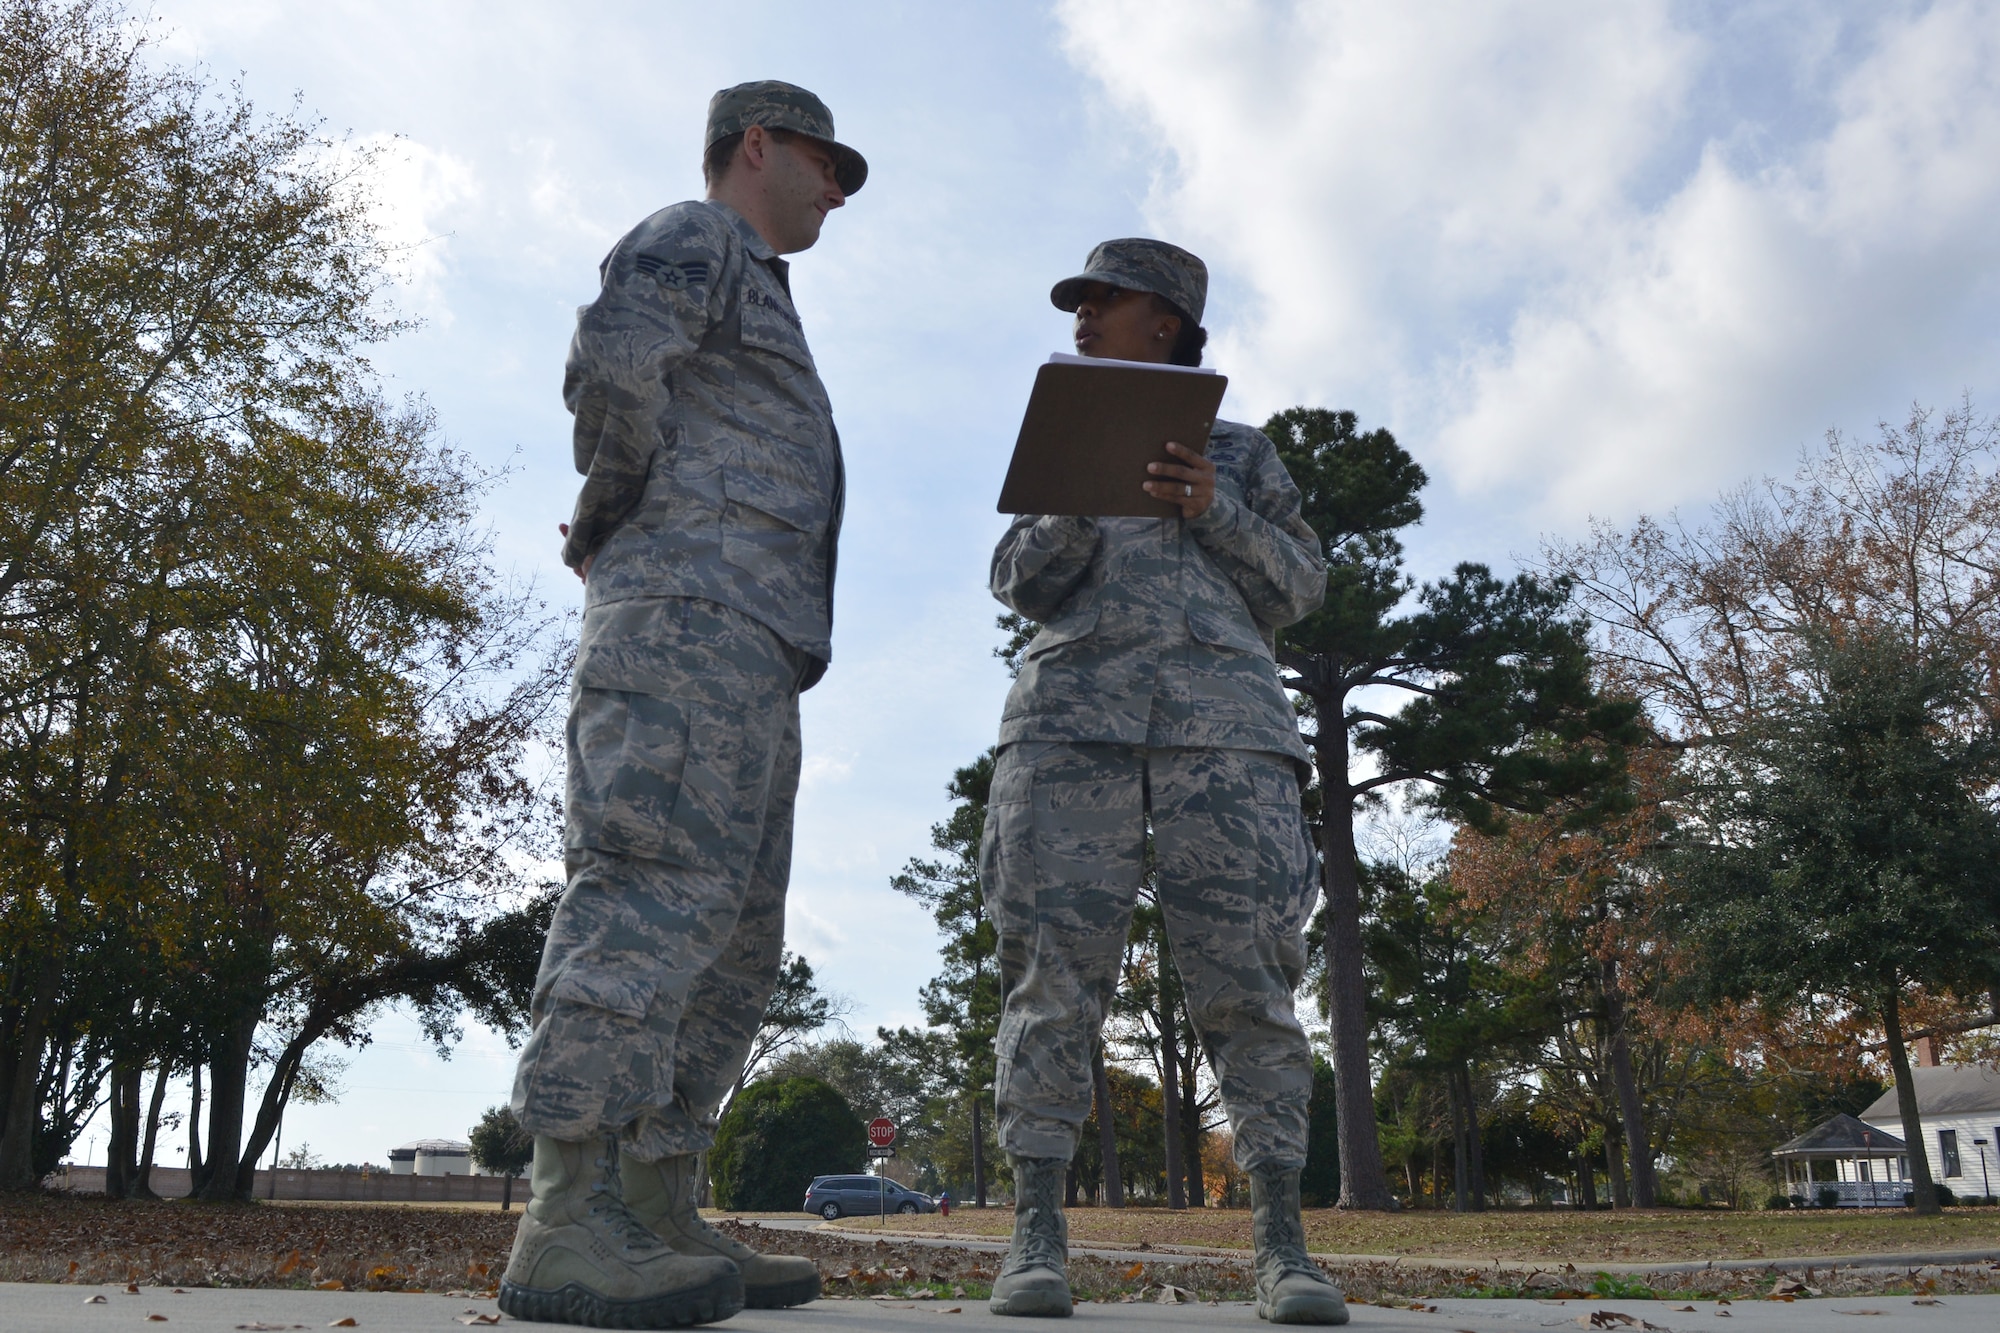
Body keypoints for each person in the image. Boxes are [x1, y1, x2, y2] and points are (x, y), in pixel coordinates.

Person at [499, 80, 865, 1330]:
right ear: (753, 145)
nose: (834, 190)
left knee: (733, 940)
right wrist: (612, 517)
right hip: (688, 615)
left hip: (754, 641)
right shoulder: (696, 235)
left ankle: (654, 1204)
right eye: (824, 163)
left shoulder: (764, 289)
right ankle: (564, 1216)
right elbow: (612, 365)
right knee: (649, 886)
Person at [980, 239, 1347, 1325]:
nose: (1083, 319)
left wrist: (1213, 510)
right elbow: (1015, 583)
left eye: (1105, 302)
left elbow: (1301, 588)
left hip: (1225, 740)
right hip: (1066, 730)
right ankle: (1035, 1237)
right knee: (1049, 978)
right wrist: (1074, 505)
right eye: (1078, 304)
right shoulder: (1060, 445)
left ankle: (1281, 1247)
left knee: (1249, 982)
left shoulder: (1241, 453)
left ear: (1170, 321)